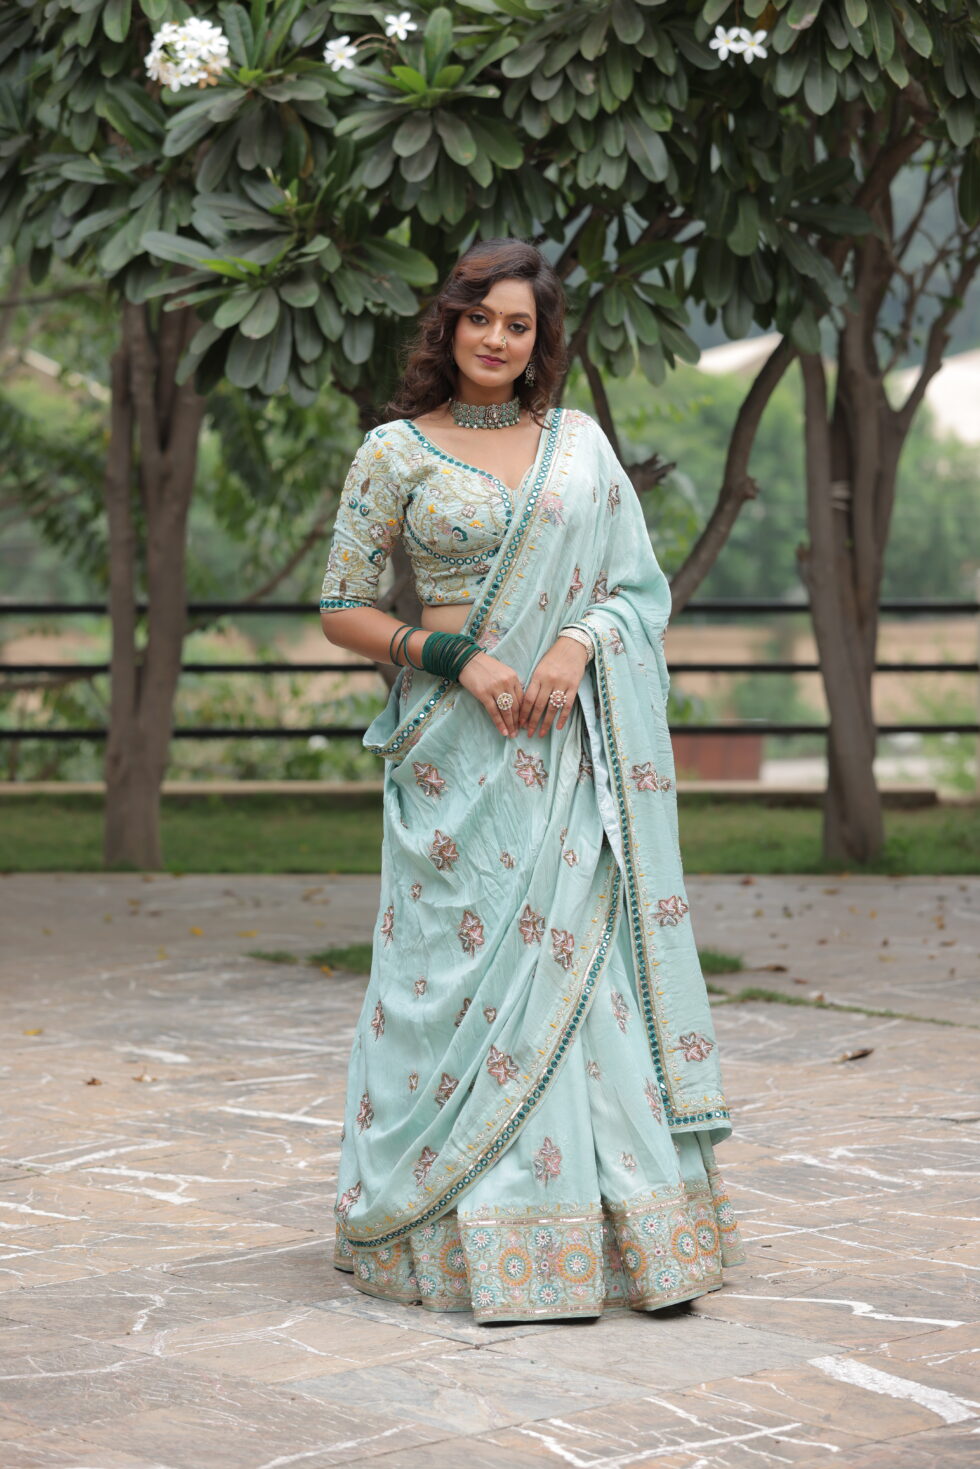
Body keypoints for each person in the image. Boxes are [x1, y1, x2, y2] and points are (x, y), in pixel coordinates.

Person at [318, 237, 745, 1324]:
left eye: (520, 324)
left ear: (540, 338)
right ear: (448, 323)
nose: (498, 339)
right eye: (481, 318)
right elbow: (342, 607)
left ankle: (617, 1237)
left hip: (566, 742)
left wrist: (574, 644)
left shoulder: (580, 446)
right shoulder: (394, 451)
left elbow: (635, 588)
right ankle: (455, 1231)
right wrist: (457, 658)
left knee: (582, 974)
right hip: (453, 748)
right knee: (448, 979)